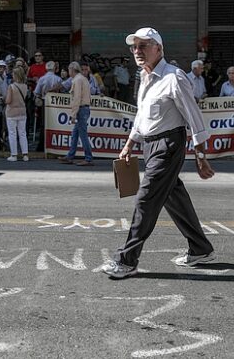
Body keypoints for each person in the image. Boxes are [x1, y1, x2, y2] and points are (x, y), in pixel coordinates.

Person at [101, 27, 215, 280]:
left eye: (144, 46)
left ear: (159, 49)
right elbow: (142, 115)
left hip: (169, 145)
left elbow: (193, 116)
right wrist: (130, 144)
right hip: (150, 146)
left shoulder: (174, 77)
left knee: (146, 199)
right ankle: (201, 249)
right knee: (173, 197)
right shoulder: (144, 76)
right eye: (134, 47)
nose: (137, 51)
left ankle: (127, 260)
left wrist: (200, 156)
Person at [58, 62, 94, 166]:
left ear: (72, 70)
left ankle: (88, 158)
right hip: (84, 109)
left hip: (81, 110)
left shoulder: (77, 80)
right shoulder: (83, 79)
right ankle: (70, 156)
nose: (68, 72)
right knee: (76, 134)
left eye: (69, 70)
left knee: (82, 135)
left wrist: (73, 114)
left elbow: (77, 98)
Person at [5, 67, 30, 162]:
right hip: (22, 112)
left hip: (12, 112)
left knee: (12, 134)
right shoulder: (25, 86)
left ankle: (14, 155)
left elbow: (8, 100)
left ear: (15, 75)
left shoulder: (11, 86)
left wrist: (4, 98)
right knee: (23, 133)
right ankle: (25, 155)